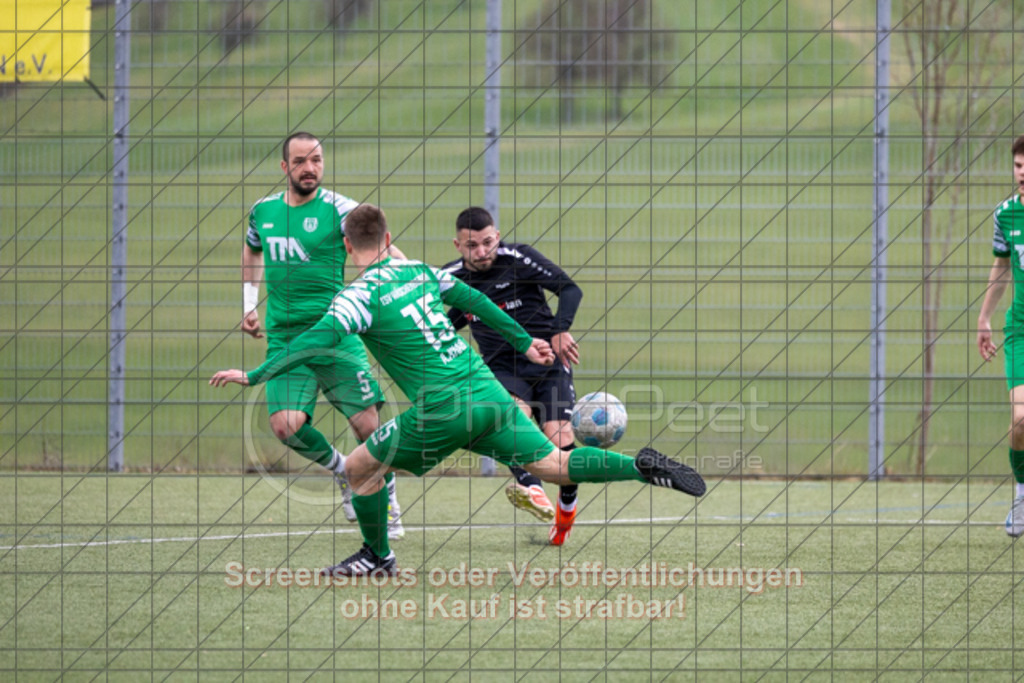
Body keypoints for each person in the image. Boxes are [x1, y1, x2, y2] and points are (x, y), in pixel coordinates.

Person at [212, 203, 706, 576]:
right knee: (555, 465)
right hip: (489, 393)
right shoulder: (421, 271)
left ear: (346, 247)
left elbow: (311, 340)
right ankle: (640, 467)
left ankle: (377, 557)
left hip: (444, 411)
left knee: (361, 467)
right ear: (389, 238)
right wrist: (525, 341)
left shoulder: (355, 298)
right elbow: (478, 301)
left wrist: (255, 376)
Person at [240, 132, 404, 539]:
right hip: (285, 339)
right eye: (300, 161)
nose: (309, 168)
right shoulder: (262, 211)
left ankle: (387, 497)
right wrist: (248, 303)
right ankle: (344, 471)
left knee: (368, 425)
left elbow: (385, 249)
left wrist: (414, 280)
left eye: (316, 160)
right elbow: (252, 249)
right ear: (285, 168)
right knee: (286, 426)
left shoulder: (341, 208)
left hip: (337, 330)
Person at [443, 206, 583, 545]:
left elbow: (569, 289)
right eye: (472, 246)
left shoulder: (519, 257)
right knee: (513, 422)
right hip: (502, 368)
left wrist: (561, 330)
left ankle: (564, 518)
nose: (482, 252)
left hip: (548, 363)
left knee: (562, 447)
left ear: (498, 236)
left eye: (488, 243)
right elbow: (449, 321)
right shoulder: (448, 278)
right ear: (458, 246)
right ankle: (532, 489)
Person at [978, 135, 1024, 538]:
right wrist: (984, 318)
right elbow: (1002, 267)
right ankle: (1022, 492)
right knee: (1021, 418)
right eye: (1019, 166)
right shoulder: (1006, 215)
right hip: (1020, 331)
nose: (1023, 174)